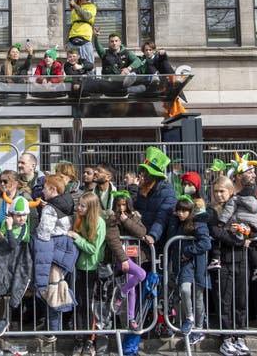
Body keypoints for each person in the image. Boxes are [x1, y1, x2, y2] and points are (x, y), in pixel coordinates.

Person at [206, 176, 253, 354]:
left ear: (231, 191)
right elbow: (216, 232)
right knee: (224, 300)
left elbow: (255, 224)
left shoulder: (240, 206)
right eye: (216, 191)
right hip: (223, 260)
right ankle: (225, 338)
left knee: (241, 299)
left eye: (222, 191)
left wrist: (248, 234)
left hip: (241, 259)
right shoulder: (211, 211)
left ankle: (240, 336)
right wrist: (238, 240)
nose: (219, 195)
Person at [33, 174, 76, 342]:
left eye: (45, 187)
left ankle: (52, 330)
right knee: (57, 288)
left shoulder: (50, 209)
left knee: (52, 290)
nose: (42, 190)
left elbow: (44, 233)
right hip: (64, 251)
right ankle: (54, 327)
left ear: (53, 189)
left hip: (54, 253)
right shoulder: (67, 202)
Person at [167, 196, 211, 338]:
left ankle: (199, 328)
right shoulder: (177, 224)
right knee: (185, 290)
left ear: (190, 211)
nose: (180, 213)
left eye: (184, 210)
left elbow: (206, 243)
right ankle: (190, 318)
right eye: (178, 210)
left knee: (198, 295)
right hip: (185, 265)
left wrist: (188, 251)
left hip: (198, 264)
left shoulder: (199, 223)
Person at [68, 192, 106, 356]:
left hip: (92, 269)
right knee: (78, 304)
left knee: (89, 307)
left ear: (90, 207)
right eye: (79, 204)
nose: (79, 208)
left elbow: (93, 249)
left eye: (83, 206)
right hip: (78, 267)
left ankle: (89, 341)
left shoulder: (99, 223)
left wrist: (76, 238)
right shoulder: (79, 219)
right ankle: (78, 340)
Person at [0, 197, 33, 338]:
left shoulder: (25, 227)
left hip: (19, 264)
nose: (22, 218)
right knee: (0, 290)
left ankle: (14, 321)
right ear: (12, 215)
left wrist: (8, 229)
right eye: (19, 215)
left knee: (16, 290)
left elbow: (13, 245)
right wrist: (1, 234)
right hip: (4, 263)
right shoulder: (5, 222)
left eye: (24, 215)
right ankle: (1, 321)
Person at [107, 191, 146, 331]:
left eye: (124, 204)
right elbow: (113, 240)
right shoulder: (112, 219)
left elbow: (141, 232)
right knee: (142, 275)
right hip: (121, 257)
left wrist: (126, 221)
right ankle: (121, 293)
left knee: (132, 290)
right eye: (119, 205)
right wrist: (122, 259)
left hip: (134, 255)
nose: (121, 208)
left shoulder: (134, 216)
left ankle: (131, 318)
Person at [134, 146, 177, 248]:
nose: (142, 175)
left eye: (146, 172)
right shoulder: (142, 189)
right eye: (142, 171)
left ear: (154, 176)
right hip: (141, 238)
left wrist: (153, 235)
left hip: (158, 242)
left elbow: (162, 217)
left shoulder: (167, 192)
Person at [67, 0, 97, 66]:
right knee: (71, 66)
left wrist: (75, 5)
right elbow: (72, 24)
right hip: (72, 40)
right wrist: (67, 40)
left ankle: (89, 79)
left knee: (88, 65)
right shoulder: (74, 8)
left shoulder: (91, 6)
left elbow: (86, 16)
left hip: (84, 40)